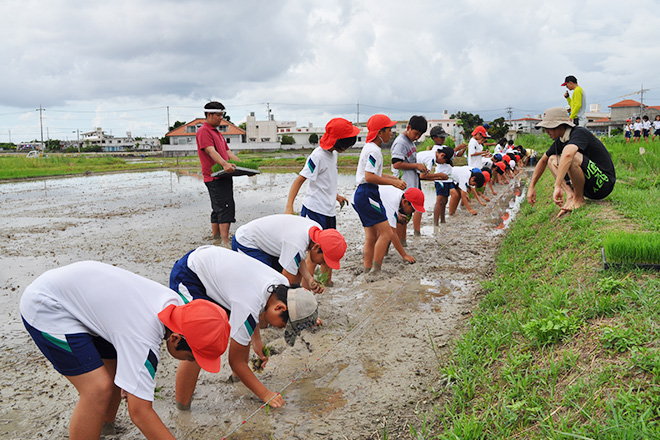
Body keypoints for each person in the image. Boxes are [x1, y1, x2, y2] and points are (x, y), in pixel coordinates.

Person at [20, 261, 230, 439]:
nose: (191, 362)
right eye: (191, 357)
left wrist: (132, 379)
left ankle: (105, 428)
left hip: (85, 300)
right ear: (175, 338)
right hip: (48, 305)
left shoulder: (175, 304)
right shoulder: (142, 334)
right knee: (97, 389)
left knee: (112, 378)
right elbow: (139, 412)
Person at [169, 245, 319, 410]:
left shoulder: (282, 285)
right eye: (283, 325)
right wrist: (265, 394)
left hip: (221, 276)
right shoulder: (248, 305)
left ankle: (237, 381)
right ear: (279, 308)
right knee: (198, 342)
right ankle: (182, 408)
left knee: (239, 331)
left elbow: (253, 308)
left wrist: (257, 342)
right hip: (192, 274)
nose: (280, 328)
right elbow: (236, 361)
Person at [285, 118, 359, 286]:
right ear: (339, 142)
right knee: (314, 252)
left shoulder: (332, 154)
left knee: (330, 250)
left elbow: (326, 182)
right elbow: (299, 180)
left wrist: (336, 196)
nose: (347, 149)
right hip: (314, 211)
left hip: (328, 210)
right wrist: (289, 207)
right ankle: (307, 287)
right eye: (347, 144)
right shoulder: (317, 156)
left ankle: (327, 283)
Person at [528, 106, 616, 217]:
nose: (546, 131)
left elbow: (569, 154)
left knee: (571, 156)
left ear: (560, 125)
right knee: (551, 160)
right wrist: (532, 186)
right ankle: (571, 196)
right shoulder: (561, 140)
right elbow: (543, 160)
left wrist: (557, 185)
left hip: (602, 184)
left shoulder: (579, 133)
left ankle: (579, 200)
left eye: (549, 127)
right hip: (588, 187)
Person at [232, 214, 347, 293]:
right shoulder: (296, 244)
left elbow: (297, 258)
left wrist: (309, 279)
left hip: (266, 245)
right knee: (267, 285)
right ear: (316, 247)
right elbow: (284, 285)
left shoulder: (316, 230)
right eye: (324, 260)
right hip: (245, 242)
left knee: (294, 274)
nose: (322, 264)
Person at [352, 114, 407, 273]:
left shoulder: (369, 147)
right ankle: (376, 270)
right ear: (379, 132)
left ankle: (368, 269)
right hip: (368, 193)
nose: (391, 133)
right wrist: (393, 182)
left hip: (363, 193)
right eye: (389, 130)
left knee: (371, 236)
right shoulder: (374, 151)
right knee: (387, 233)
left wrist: (391, 177)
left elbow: (372, 173)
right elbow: (369, 177)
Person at [197, 101, 241, 246]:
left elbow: (228, 152)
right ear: (209, 115)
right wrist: (224, 164)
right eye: (218, 115)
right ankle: (224, 242)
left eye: (222, 115)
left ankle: (216, 239)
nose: (221, 118)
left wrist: (242, 166)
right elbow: (210, 151)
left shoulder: (217, 133)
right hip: (214, 176)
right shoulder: (204, 131)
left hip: (224, 175)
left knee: (217, 209)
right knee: (224, 208)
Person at [377, 186, 425, 263]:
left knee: (387, 227)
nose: (413, 212)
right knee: (384, 231)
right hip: (363, 201)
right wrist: (404, 255)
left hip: (377, 202)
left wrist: (397, 214)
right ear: (405, 202)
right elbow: (392, 233)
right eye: (413, 209)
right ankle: (376, 259)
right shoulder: (393, 202)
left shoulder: (401, 196)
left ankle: (383, 253)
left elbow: (387, 203)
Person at [418, 127, 454, 225]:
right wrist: (439, 176)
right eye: (445, 162)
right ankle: (435, 224)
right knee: (440, 201)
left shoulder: (440, 151)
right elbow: (422, 176)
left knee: (444, 200)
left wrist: (439, 176)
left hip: (444, 178)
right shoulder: (431, 158)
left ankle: (442, 221)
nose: (443, 163)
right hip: (410, 172)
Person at [390, 115, 428, 191]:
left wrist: (420, 168)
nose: (417, 137)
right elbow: (396, 164)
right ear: (408, 128)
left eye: (420, 135)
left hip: (412, 183)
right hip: (404, 185)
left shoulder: (411, 141)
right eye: (416, 133)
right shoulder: (401, 143)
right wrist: (416, 166)